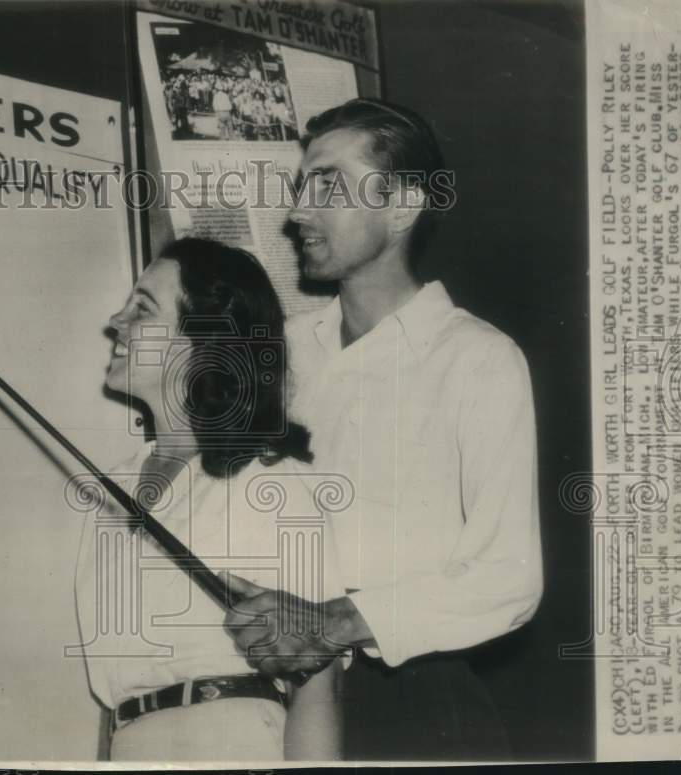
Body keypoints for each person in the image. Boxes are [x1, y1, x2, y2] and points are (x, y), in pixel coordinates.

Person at [222, 98, 544, 759]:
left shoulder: (478, 359)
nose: (297, 213)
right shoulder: (279, 352)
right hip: (276, 708)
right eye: (302, 185)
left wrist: (333, 621)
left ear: (402, 207)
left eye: (329, 184)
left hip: (417, 710)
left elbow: (510, 578)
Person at [73, 238, 345, 762]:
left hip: (231, 739)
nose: (115, 320)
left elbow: (320, 678)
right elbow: (117, 687)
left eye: (142, 308)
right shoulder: (110, 487)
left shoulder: (272, 481)